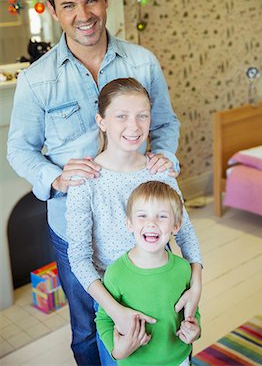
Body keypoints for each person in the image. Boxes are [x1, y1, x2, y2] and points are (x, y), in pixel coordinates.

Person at [7, 0, 181, 366]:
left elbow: (166, 125)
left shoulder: (143, 62)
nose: (82, 14)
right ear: (52, 9)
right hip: (74, 232)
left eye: (90, 0)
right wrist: (56, 178)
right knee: (87, 327)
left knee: (154, 315)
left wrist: (165, 156)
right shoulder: (36, 80)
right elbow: (19, 149)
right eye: (68, 5)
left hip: (143, 226)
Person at [65, 78, 203, 365]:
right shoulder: (85, 181)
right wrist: (115, 311)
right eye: (122, 116)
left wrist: (196, 285)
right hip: (115, 303)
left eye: (143, 116)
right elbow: (78, 257)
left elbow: (186, 234)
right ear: (101, 121)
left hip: (163, 291)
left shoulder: (160, 171)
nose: (135, 126)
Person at [96, 180, 201, 366]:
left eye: (161, 216)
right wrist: (116, 350)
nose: (151, 223)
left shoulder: (183, 269)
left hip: (179, 359)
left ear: (176, 226)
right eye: (142, 215)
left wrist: (195, 328)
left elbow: (192, 308)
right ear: (129, 223)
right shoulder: (116, 273)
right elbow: (104, 318)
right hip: (135, 362)